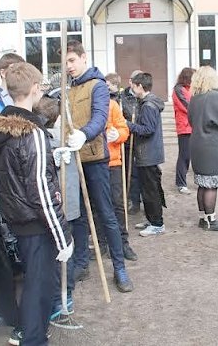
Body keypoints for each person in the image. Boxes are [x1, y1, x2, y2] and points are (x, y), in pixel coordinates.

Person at [0, 62, 73, 345]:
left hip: (18, 218)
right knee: (39, 286)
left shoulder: (1, 129)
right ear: (35, 89)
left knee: (35, 282)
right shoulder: (31, 132)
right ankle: (33, 338)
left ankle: (31, 333)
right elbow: (41, 191)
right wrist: (64, 237)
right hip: (36, 223)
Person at [64, 40, 134, 292]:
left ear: (84, 58)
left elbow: (99, 118)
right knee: (78, 216)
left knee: (106, 214)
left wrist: (84, 134)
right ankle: (82, 262)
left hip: (95, 159)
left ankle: (119, 269)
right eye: (65, 62)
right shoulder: (66, 88)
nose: (68, 66)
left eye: (72, 60)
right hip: (72, 161)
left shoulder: (98, 86)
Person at [95, 72, 139, 260]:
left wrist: (118, 135)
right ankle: (101, 242)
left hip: (113, 162)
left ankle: (123, 243)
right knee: (98, 205)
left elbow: (123, 128)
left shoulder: (112, 106)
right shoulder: (88, 108)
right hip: (94, 162)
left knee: (118, 204)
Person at [187, 66, 218, 231]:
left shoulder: (195, 97)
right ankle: (211, 220)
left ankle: (203, 218)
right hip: (212, 145)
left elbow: (191, 120)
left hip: (198, 143)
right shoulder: (214, 96)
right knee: (211, 185)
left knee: (202, 183)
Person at [126, 72, 167, 237]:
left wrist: (129, 125)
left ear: (140, 87)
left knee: (151, 190)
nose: (132, 88)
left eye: (134, 86)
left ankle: (157, 224)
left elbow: (148, 130)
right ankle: (152, 219)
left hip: (148, 154)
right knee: (147, 188)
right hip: (147, 153)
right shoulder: (145, 102)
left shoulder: (148, 106)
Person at [121, 70, 143, 214]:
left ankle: (144, 199)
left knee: (144, 172)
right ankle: (134, 201)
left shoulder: (144, 96)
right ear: (130, 82)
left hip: (142, 140)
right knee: (132, 172)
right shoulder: (123, 97)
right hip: (129, 140)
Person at [172, 67, 195, 195]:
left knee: (191, 155)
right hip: (184, 127)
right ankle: (181, 183)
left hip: (192, 126)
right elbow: (187, 106)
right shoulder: (178, 90)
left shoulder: (189, 89)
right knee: (184, 156)